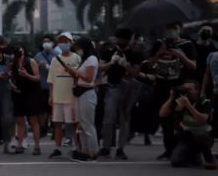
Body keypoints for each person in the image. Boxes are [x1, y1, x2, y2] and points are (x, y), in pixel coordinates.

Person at [151, 21, 197, 160]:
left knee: (179, 119)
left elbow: (193, 66)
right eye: (168, 30)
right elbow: (149, 64)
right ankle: (168, 149)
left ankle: (181, 148)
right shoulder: (159, 44)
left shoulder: (187, 45)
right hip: (161, 86)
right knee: (164, 118)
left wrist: (180, 54)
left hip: (179, 86)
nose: (171, 32)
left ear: (180, 30)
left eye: (174, 29)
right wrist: (160, 52)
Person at [97, 28, 143, 160]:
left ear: (128, 40)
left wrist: (126, 65)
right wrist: (111, 62)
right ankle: (106, 147)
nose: (121, 41)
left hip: (128, 88)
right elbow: (101, 67)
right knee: (108, 119)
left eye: (124, 39)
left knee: (124, 120)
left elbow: (136, 73)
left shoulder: (134, 53)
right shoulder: (109, 50)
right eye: (119, 39)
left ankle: (120, 148)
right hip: (112, 87)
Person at [159, 80, 214, 169]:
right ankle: (193, 154)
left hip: (205, 137)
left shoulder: (204, 101)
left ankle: (209, 159)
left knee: (200, 135)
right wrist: (172, 97)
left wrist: (188, 105)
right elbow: (162, 114)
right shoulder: (180, 101)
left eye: (189, 89)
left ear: (197, 91)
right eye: (185, 89)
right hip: (187, 138)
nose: (186, 91)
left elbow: (202, 120)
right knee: (176, 161)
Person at [64, 38, 99, 163]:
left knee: (88, 124)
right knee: (82, 124)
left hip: (87, 93)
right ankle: (84, 151)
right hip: (80, 93)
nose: (78, 50)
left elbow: (89, 78)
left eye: (79, 47)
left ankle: (92, 152)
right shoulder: (86, 60)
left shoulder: (92, 59)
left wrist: (75, 71)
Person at [47, 34, 81, 159]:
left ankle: (76, 147)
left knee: (73, 123)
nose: (63, 43)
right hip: (57, 96)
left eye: (66, 41)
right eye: (61, 41)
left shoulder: (77, 58)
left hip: (71, 96)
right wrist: (51, 96)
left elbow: (79, 76)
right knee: (57, 123)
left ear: (71, 43)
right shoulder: (55, 60)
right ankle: (57, 148)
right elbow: (51, 80)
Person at [11, 45, 42, 155]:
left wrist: (26, 75)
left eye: (21, 52)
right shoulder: (13, 63)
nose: (19, 54)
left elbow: (38, 78)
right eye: (17, 52)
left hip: (31, 94)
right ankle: (19, 145)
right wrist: (13, 85)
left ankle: (37, 146)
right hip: (19, 93)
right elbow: (12, 78)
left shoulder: (31, 61)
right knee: (20, 121)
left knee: (33, 120)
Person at [34, 36, 57, 135]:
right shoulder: (38, 56)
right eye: (44, 41)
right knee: (42, 109)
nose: (46, 43)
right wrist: (39, 65)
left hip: (54, 86)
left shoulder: (57, 55)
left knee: (53, 109)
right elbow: (33, 69)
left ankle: (54, 128)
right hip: (41, 86)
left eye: (48, 41)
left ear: (52, 43)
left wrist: (50, 68)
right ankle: (43, 128)